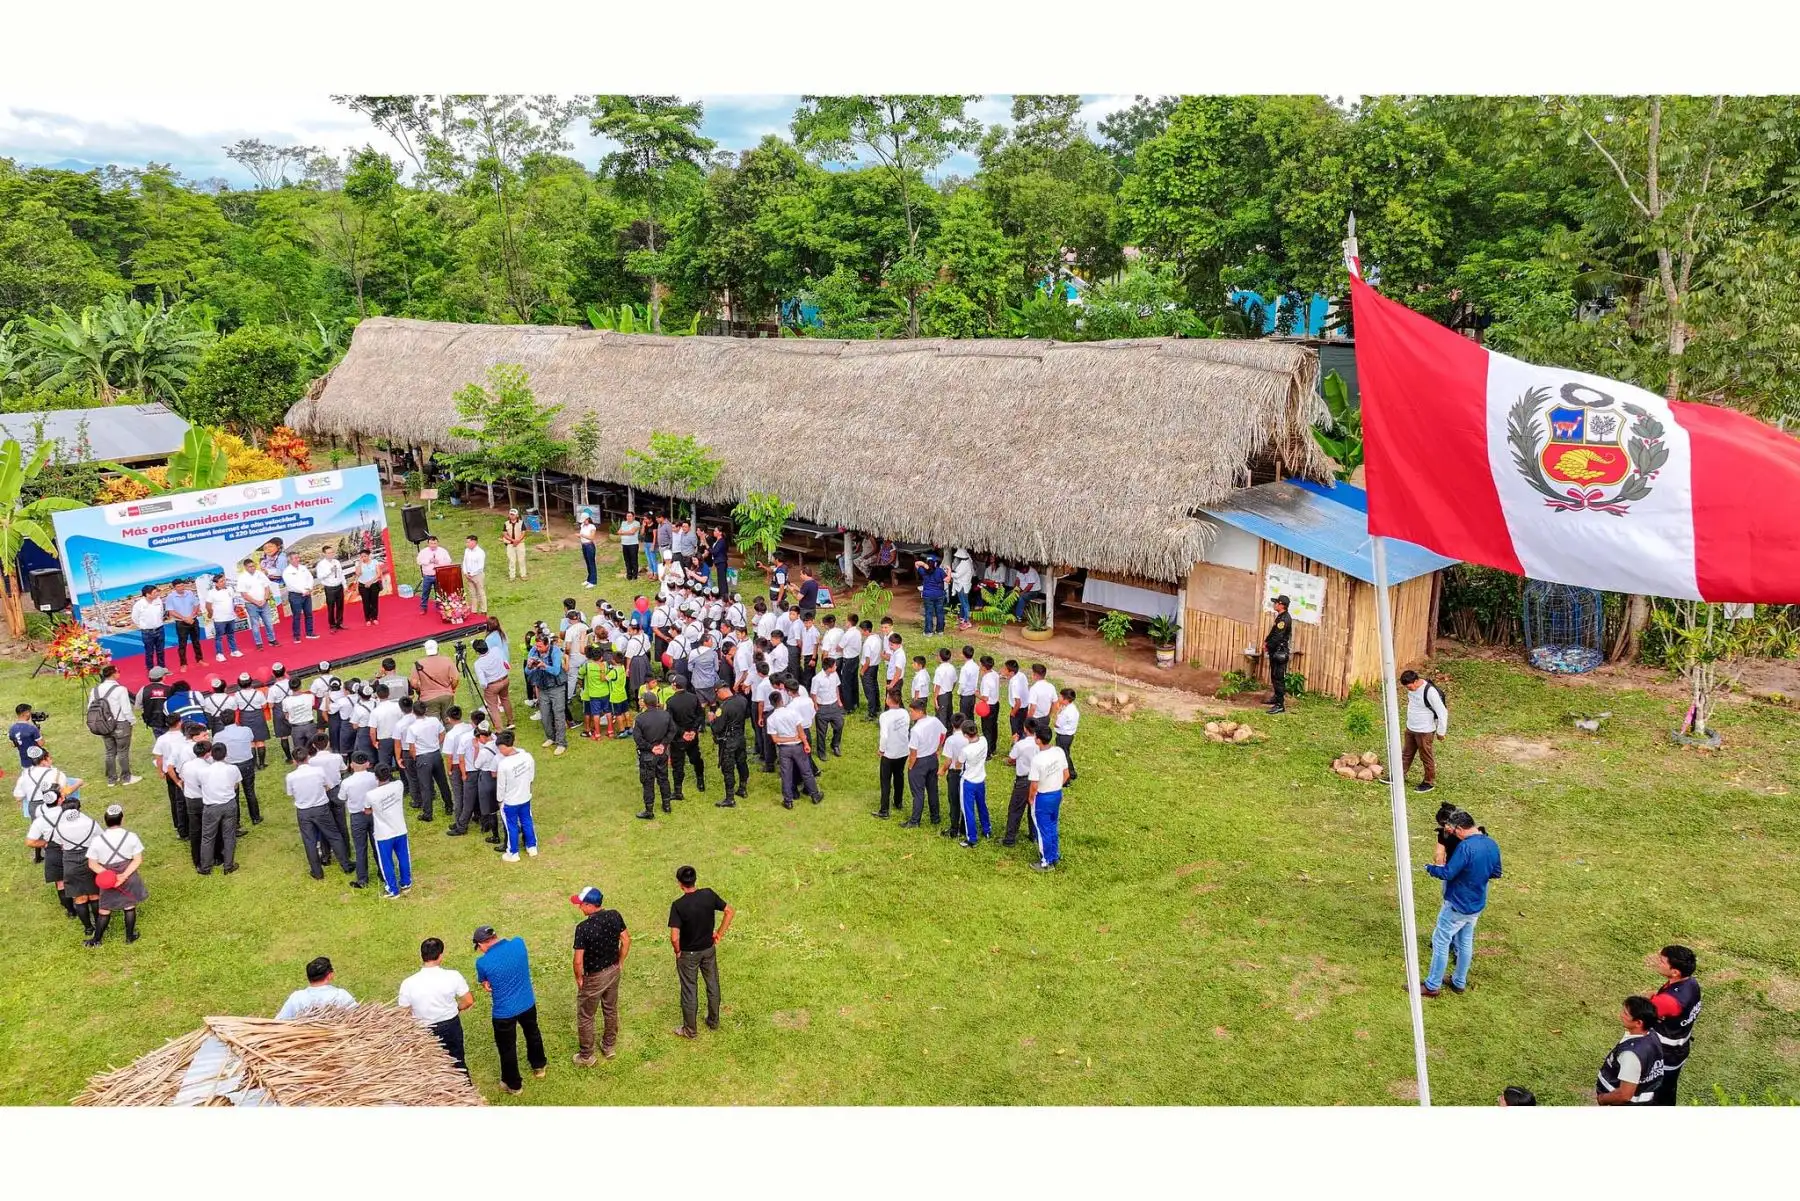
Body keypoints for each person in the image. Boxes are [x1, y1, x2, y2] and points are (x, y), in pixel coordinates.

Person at [1419, 810, 1502, 997]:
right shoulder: (1491, 844)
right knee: (1465, 941)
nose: (1454, 834)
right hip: (1476, 904)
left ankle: (1432, 986)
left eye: (1455, 830)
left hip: (1457, 903)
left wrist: (1430, 868)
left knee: (1440, 942)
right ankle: (1458, 982)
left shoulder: (1466, 847)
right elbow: (1496, 872)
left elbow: (1448, 873)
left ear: (1460, 828)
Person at [473, 924, 546, 1094]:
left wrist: (486, 983)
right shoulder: (519, 943)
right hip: (527, 1003)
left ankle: (514, 1085)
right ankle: (539, 1066)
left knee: (507, 1048)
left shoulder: (482, 962)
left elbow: (486, 982)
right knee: (532, 1032)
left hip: (504, 1012)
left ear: (481, 944)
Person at [668, 865, 733, 1038]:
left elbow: (674, 937)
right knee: (712, 983)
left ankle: (690, 1030)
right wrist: (719, 934)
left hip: (688, 954)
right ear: (695, 879)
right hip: (708, 949)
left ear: (680, 884)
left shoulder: (678, 906)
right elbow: (729, 911)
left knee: (689, 989)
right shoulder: (708, 894)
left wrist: (677, 951)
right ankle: (713, 1021)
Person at [571, 886, 630, 1066]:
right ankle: (609, 1046)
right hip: (613, 971)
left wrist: (579, 978)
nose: (580, 908)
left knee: (586, 1015)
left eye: (582, 904)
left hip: (594, 977)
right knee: (610, 1008)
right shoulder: (614, 915)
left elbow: (578, 960)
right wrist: (620, 962)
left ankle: (586, 1055)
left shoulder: (583, 928)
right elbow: (626, 939)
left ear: (590, 905)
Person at [397, 937, 475, 1074]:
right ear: (440, 956)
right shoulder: (453, 976)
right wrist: (457, 1008)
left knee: (431, 1067)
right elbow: (468, 1000)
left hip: (424, 1028)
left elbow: (403, 1012)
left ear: (422, 956)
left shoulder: (408, 983)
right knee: (457, 1062)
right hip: (451, 1025)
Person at [84, 803, 147, 945]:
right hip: (129, 872)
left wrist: (110, 876)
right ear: (122, 819)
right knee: (129, 905)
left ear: (105, 820)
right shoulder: (131, 836)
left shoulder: (97, 840)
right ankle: (129, 937)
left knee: (104, 908)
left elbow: (92, 864)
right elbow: (138, 859)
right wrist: (123, 876)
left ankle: (97, 940)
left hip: (107, 877)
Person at [285, 746, 351, 881]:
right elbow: (329, 786)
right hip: (321, 808)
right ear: (308, 757)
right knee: (334, 835)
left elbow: (290, 793)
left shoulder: (291, 777)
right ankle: (346, 865)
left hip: (303, 811)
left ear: (294, 761)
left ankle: (317, 872)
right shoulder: (318, 771)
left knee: (309, 841)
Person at [1647, 945, 1702, 1105]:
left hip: (1664, 1054)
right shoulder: (1691, 984)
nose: (1658, 963)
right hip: (1679, 1048)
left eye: (1662, 962)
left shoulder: (1668, 1002)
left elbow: (1641, 1015)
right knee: (1668, 1088)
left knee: (1656, 1093)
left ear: (1675, 972)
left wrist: (1649, 999)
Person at [1596, 996, 1666, 1105]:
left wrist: (1602, 1099)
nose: (1621, 1015)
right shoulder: (1651, 1034)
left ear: (1638, 1023)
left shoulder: (1631, 1056)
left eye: (1625, 1014)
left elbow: (1624, 1095)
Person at [87, 664, 140, 787]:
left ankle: (111, 779)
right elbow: (126, 709)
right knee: (123, 752)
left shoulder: (94, 690)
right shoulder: (121, 689)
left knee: (109, 752)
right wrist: (132, 721)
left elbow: (90, 707)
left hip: (103, 724)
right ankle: (126, 777)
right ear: (113, 674)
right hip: (120, 723)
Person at [766, 691, 821, 809]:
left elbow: (775, 739)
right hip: (797, 746)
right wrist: (805, 743)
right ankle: (815, 795)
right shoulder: (792, 712)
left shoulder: (771, 719)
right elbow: (801, 732)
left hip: (784, 749)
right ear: (781, 700)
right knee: (806, 771)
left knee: (786, 775)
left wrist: (786, 739)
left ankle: (788, 801)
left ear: (772, 704)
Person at [1026, 722, 1070, 871]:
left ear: (1038, 740)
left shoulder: (1037, 760)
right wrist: (1055, 784)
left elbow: (1034, 784)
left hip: (1043, 797)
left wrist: (1031, 798)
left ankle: (1046, 861)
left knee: (1042, 828)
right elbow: (1066, 774)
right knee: (1052, 825)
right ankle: (1054, 854)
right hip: (1056, 794)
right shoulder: (1058, 751)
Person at [364, 764, 411, 897]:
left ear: (376, 777)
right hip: (400, 828)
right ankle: (406, 882)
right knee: (403, 857)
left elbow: (367, 811)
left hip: (383, 834)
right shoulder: (399, 785)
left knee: (386, 862)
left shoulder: (371, 795)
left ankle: (392, 889)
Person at [197, 744, 245, 875]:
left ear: (211, 754)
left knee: (207, 837)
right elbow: (236, 785)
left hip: (211, 807)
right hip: (229, 804)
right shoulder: (232, 769)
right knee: (229, 836)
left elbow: (201, 785)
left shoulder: (203, 771)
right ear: (226, 754)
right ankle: (228, 865)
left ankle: (206, 867)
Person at [1399, 670, 1448, 793]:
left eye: (1410, 686)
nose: (1408, 689)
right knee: (1406, 754)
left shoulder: (1430, 692)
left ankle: (1428, 782)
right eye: (1406, 687)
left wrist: (1441, 732)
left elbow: (1442, 712)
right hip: (1411, 728)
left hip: (1425, 731)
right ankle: (1399, 776)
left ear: (1416, 681)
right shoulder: (1411, 690)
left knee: (1425, 756)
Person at [493, 730, 538, 861]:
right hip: (525, 797)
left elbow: (501, 785)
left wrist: (500, 800)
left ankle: (513, 852)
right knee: (527, 821)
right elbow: (531, 776)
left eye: (501, 748)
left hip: (510, 801)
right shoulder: (527, 757)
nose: (500, 751)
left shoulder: (504, 764)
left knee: (511, 826)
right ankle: (532, 846)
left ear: (505, 746)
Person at [901, 698, 945, 829]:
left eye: (911, 711)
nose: (910, 714)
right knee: (932, 790)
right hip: (932, 759)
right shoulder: (935, 721)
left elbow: (913, 752)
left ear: (919, 712)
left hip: (919, 762)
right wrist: (938, 748)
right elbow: (943, 733)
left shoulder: (916, 730)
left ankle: (915, 821)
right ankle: (935, 817)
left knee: (918, 793)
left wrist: (910, 767)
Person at [632, 693, 674, 819]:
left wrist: (652, 747)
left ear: (645, 702)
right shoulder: (665, 715)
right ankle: (667, 805)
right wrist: (663, 745)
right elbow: (672, 730)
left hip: (647, 755)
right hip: (662, 753)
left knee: (648, 782)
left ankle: (649, 810)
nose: (639, 701)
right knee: (663, 778)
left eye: (641, 699)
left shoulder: (640, 719)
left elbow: (638, 739)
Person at [340, 753, 379, 888]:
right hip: (375, 814)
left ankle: (362, 879)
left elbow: (342, 797)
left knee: (360, 848)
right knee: (378, 845)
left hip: (357, 816)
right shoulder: (374, 777)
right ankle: (383, 872)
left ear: (351, 765)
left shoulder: (347, 782)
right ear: (367, 764)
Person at [525, 634, 568, 755]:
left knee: (558, 714)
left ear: (547, 644)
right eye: (536, 645)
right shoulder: (534, 650)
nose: (537, 648)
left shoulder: (555, 651)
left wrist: (544, 666)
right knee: (544, 715)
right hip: (542, 687)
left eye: (540, 646)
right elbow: (527, 672)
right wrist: (529, 666)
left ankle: (561, 743)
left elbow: (555, 670)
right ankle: (551, 737)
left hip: (556, 687)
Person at [215, 712, 261, 826]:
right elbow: (251, 739)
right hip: (246, 763)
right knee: (250, 791)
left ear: (221, 721)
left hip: (230, 765)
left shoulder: (218, 736)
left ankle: (236, 822)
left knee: (233, 794)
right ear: (235, 718)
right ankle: (255, 817)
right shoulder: (245, 730)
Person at [405, 705, 449, 821]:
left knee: (426, 787)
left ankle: (428, 814)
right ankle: (449, 806)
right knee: (442, 782)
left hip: (423, 757)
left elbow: (411, 748)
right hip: (435, 754)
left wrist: (417, 758)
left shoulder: (413, 728)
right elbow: (442, 733)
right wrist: (436, 744)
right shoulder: (434, 721)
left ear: (414, 712)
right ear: (426, 710)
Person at [276, 956, 358, 1019]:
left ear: (308, 977)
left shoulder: (297, 997)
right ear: (330, 975)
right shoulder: (340, 995)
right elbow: (358, 1017)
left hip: (303, 1040)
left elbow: (279, 1022)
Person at [666, 675, 707, 799]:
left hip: (678, 738)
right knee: (696, 758)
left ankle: (678, 791)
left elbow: (671, 722)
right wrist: (693, 731)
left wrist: (682, 732)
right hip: (692, 735)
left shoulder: (670, 702)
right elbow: (700, 715)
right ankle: (701, 782)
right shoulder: (694, 698)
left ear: (674, 685)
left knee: (678, 763)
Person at [710, 683, 750, 805]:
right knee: (742, 763)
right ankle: (743, 788)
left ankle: (730, 798)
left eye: (717, 694)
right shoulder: (742, 700)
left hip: (728, 741)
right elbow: (747, 714)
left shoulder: (723, 708)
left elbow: (717, 728)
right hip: (740, 737)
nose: (717, 696)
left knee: (728, 768)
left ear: (720, 691)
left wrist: (712, 720)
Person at [873, 691, 910, 820]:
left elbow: (884, 736)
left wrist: (881, 750)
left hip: (889, 753)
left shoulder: (885, 716)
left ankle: (884, 810)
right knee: (899, 775)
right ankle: (898, 801)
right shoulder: (905, 713)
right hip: (903, 750)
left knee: (885, 780)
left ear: (889, 700)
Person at [954, 719, 990, 848]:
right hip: (980, 778)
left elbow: (959, 763)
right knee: (982, 805)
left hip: (968, 781)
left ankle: (972, 838)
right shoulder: (984, 740)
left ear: (965, 735)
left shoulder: (966, 750)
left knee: (968, 810)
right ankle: (987, 830)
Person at [1002, 723, 1038, 847]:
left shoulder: (1021, 744)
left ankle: (1010, 839)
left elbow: (1011, 759)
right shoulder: (1040, 743)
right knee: (1033, 809)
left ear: (1025, 729)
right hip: (1037, 781)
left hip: (1023, 780)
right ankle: (1034, 836)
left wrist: (1014, 743)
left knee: (1015, 809)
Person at [235, 558, 279, 648]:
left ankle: (272, 640)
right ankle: (259, 643)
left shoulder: (260, 574)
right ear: (245, 567)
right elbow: (244, 594)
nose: (252, 568)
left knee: (269, 623)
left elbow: (267, 587)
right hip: (251, 605)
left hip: (264, 603)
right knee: (255, 625)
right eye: (250, 567)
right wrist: (256, 602)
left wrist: (265, 599)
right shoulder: (242, 578)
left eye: (253, 566)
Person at [411, 639, 459, 718]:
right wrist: (451, 688)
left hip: (428, 698)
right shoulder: (447, 660)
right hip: (446, 695)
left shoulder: (418, 664)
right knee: (449, 721)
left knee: (434, 725)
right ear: (437, 648)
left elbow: (413, 683)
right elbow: (455, 679)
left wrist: (419, 689)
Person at [474, 636, 514, 730]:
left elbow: (482, 681)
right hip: (504, 679)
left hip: (492, 685)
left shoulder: (478, 663)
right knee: (505, 699)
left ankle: (499, 729)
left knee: (493, 707)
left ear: (477, 652)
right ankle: (511, 721)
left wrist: (486, 689)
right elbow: (505, 662)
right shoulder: (496, 650)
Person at [164, 578, 205, 668]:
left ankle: (200, 660)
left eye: (182, 585)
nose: (181, 588)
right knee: (182, 644)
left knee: (196, 642)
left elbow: (196, 605)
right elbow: (171, 611)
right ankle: (183, 664)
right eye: (178, 586)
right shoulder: (170, 597)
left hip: (193, 620)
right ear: (174, 588)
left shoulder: (190, 593)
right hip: (181, 623)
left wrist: (192, 616)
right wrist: (184, 618)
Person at [203, 576, 242, 661]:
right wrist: (211, 614)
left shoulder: (230, 589)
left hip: (231, 617)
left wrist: (234, 610)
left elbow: (233, 601)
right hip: (219, 619)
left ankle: (234, 650)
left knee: (231, 635)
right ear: (216, 583)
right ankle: (219, 654)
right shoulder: (211, 593)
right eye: (221, 581)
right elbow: (208, 605)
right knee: (219, 637)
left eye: (224, 580)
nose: (224, 582)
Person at [1264, 595, 1292, 714]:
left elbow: (1278, 637)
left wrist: (1268, 645)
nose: (1274, 604)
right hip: (1275, 651)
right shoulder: (1281, 617)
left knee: (1278, 677)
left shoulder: (1284, 619)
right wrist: (1267, 641)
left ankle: (1280, 705)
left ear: (1281, 605)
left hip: (1279, 652)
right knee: (1275, 676)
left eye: (1276, 603)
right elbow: (1273, 633)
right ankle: (1276, 698)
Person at [281, 558, 318, 641]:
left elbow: (310, 578)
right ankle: (296, 635)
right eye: (295, 558)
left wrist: (309, 588)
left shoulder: (303, 568)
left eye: (298, 558)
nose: (298, 559)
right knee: (297, 616)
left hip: (307, 594)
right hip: (295, 596)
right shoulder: (287, 571)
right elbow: (291, 584)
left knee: (309, 614)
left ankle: (310, 633)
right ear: (290, 560)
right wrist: (303, 591)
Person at [131, 584, 167, 671]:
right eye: (155, 592)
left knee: (161, 651)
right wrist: (143, 627)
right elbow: (135, 618)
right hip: (147, 632)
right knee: (149, 652)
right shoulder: (139, 605)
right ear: (147, 594)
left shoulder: (158, 601)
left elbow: (162, 613)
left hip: (160, 629)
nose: (157, 594)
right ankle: (150, 670)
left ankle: (162, 669)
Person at [1051, 687, 1081, 783]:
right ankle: (1072, 773)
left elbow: (1056, 724)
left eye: (1060, 696)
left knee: (1063, 757)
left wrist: (1056, 712)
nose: (1059, 698)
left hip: (1063, 737)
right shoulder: (1072, 708)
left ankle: (1066, 779)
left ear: (1065, 699)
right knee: (1066, 755)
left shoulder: (1066, 712)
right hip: (1069, 736)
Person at [416, 534, 451, 612]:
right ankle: (423, 607)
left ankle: (439, 607)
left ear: (437, 543)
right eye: (431, 543)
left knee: (439, 592)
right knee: (425, 592)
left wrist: (439, 562)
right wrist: (428, 561)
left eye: (435, 543)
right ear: (428, 543)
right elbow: (418, 561)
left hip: (439, 575)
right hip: (427, 576)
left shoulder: (443, 551)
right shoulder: (423, 552)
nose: (433, 545)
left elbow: (448, 561)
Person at [316, 549, 347, 632]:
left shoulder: (336, 562)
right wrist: (330, 571)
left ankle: (339, 623)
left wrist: (344, 585)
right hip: (330, 588)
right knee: (331, 607)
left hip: (339, 586)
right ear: (324, 554)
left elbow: (341, 573)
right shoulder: (321, 564)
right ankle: (332, 625)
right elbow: (320, 576)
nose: (331, 554)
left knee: (340, 606)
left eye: (332, 552)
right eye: (328, 553)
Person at [916, 554, 948, 634]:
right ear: (935, 563)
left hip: (927, 595)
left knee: (928, 613)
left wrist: (923, 564)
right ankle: (940, 631)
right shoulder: (940, 571)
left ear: (927, 562)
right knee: (940, 613)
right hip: (939, 595)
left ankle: (928, 632)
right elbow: (947, 580)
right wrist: (949, 570)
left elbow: (916, 563)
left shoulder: (923, 570)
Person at [461, 534, 489, 613]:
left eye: (468, 542)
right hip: (468, 575)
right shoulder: (467, 550)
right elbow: (464, 562)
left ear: (474, 542)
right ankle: (474, 610)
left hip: (477, 575)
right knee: (472, 593)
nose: (466, 544)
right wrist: (465, 572)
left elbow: (480, 566)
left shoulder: (480, 552)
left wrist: (472, 574)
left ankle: (484, 610)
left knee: (480, 592)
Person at [354, 548, 382, 626]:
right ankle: (367, 619)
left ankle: (375, 618)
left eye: (365, 556)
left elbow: (378, 573)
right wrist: (360, 564)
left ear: (369, 556)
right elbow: (358, 574)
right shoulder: (358, 563)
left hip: (374, 584)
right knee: (366, 602)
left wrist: (370, 582)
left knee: (374, 601)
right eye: (362, 557)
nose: (363, 558)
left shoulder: (374, 562)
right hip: (363, 586)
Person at [950, 549, 975, 630]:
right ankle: (963, 618)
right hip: (963, 585)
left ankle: (967, 621)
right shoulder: (968, 561)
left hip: (962, 586)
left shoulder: (965, 564)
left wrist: (949, 572)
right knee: (963, 603)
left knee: (965, 604)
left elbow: (957, 575)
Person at [932, 648, 957, 727]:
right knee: (949, 715)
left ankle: (942, 736)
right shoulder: (952, 667)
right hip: (949, 694)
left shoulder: (939, 669)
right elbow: (955, 681)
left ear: (940, 657)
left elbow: (938, 685)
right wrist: (951, 689)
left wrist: (935, 698)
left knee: (941, 717)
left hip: (941, 695)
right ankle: (949, 733)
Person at [501, 508, 529, 581]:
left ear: (517, 515)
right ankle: (512, 576)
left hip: (520, 543)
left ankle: (523, 575)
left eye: (513, 514)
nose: (512, 516)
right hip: (510, 544)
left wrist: (518, 540)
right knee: (511, 560)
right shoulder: (506, 523)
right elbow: (504, 533)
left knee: (521, 559)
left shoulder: (521, 522)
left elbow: (523, 532)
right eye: (510, 514)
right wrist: (512, 540)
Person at [618, 511, 642, 580]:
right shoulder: (623, 523)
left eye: (630, 516)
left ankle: (635, 575)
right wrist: (626, 532)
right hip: (624, 544)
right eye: (627, 516)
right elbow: (619, 532)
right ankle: (629, 575)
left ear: (633, 517)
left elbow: (632, 532)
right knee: (627, 560)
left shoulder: (636, 523)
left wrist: (623, 532)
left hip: (633, 544)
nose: (628, 517)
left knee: (634, 560)